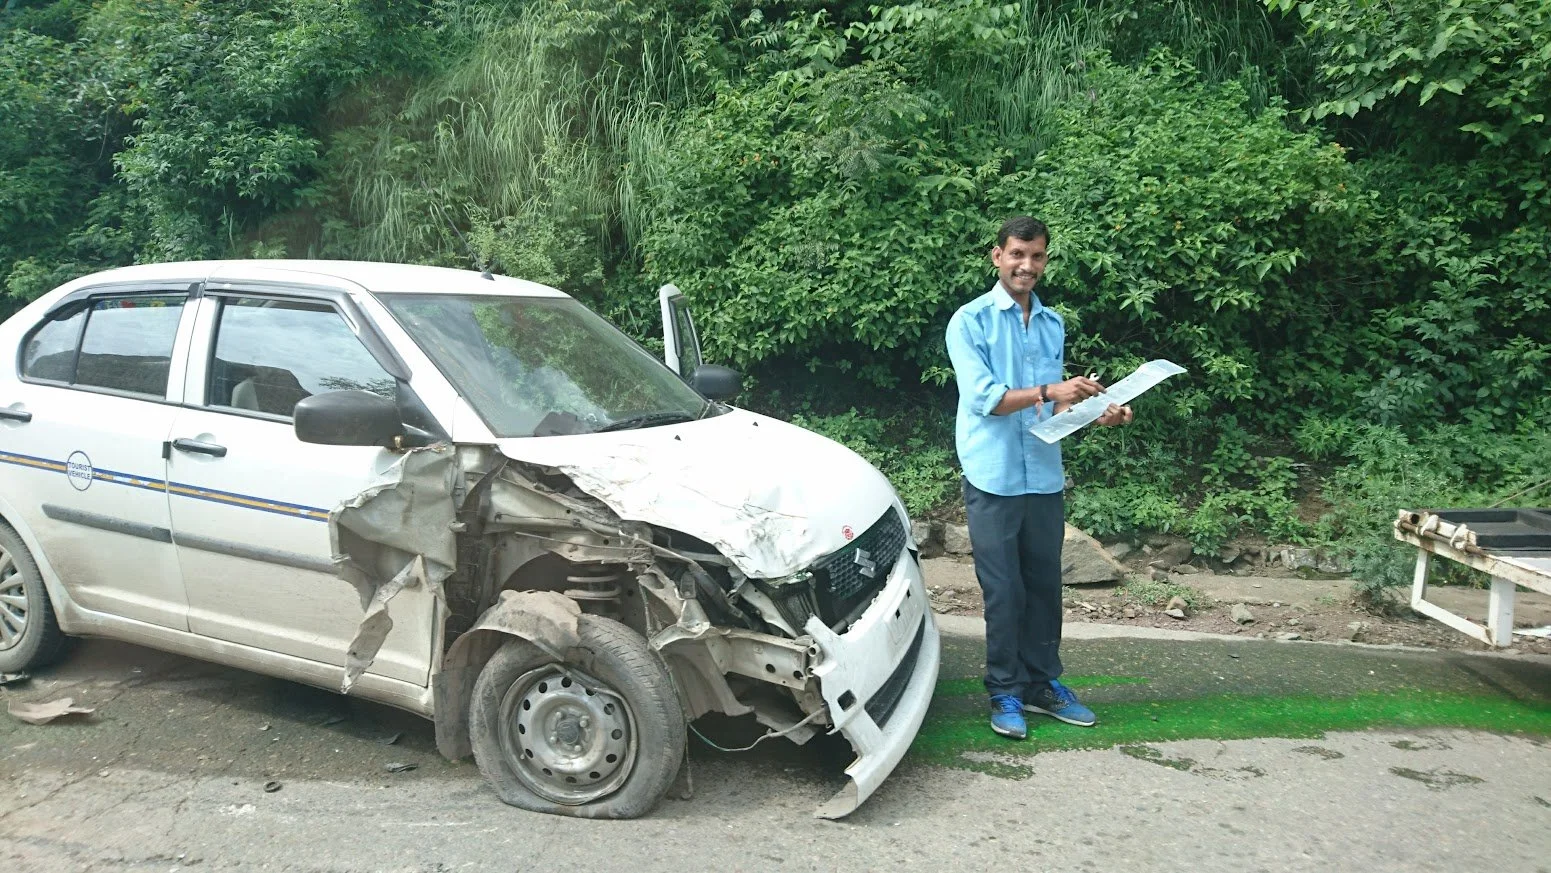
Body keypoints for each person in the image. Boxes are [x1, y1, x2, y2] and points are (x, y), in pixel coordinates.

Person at [945, 216, 1134, 740]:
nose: (1027, 265)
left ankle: (1043, 684)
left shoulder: (1052, 324)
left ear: (1045, 260)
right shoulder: (970, 322)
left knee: (1045, 587)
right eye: (1017, 255)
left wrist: (1098, 413)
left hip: (1044, 477)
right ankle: (1004, 690)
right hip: (993, 476)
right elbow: (988, 400)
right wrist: (1053, 390)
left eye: (1037, 257)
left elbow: (1052, 411)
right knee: (1004, 591)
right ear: (997, 256)